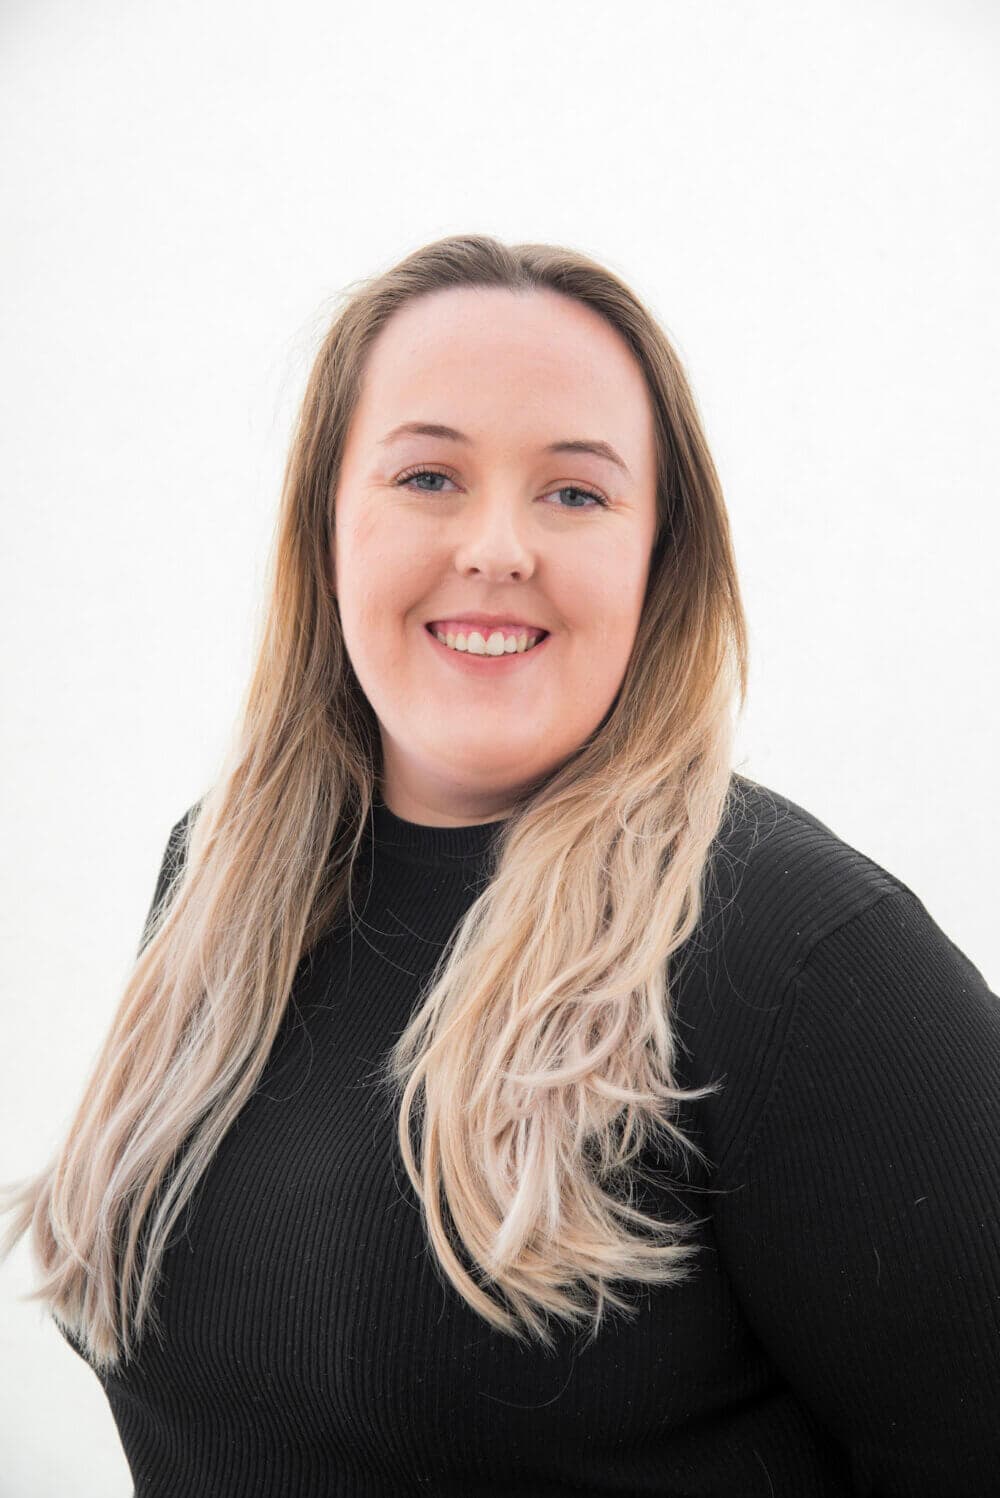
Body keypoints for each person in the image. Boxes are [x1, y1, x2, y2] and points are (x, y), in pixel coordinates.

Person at [3, 234, 998, 1497]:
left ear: (657, 559)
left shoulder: (802, 955)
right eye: (428, 475)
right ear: (327, 526)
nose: (496, 547)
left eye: (574, 493)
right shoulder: (220, 878)